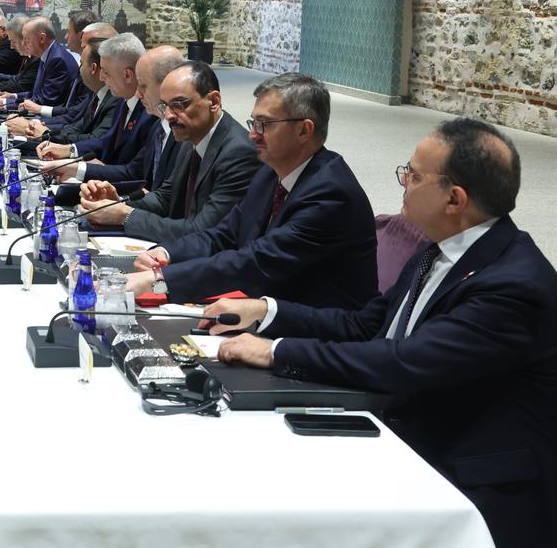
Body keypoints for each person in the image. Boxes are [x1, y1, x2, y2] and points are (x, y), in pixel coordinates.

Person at [206, 118, 557, 548]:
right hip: (412, 421)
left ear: (455, 198)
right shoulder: (439, 248)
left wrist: (275, 352)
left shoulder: (514, 285)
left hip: (472, 481)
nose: (403, 183)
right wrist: (265, 311)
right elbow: (366, 325)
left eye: (414, 174)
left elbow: (403, 361)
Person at [128, 72, 378, 309]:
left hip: (316, 329)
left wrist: (159, 280)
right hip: (268, 305)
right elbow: (225, 235)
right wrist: (167, 253)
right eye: (253, 122)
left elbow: (257, 261)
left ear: (304, 130)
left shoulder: (331, 193)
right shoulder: (271, 172)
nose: (252, 135)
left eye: (264, 124)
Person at [80, 61, 260, 244]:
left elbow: (203, 232)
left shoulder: (239, 152)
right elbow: (165, 197)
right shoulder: (192, 136)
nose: (168, 116)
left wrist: (125, 215)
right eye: (164, 106)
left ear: (214, 102)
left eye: (179, 105)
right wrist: (117, 204)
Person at [39, 32, 155, 184]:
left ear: (127, 75)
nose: (101, 78)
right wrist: (70, 150)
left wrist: (78, 168)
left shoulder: (150, 113)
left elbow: (134, 173)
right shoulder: (123, 100)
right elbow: (106, 141)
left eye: (106, 72)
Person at [11, 35, 121, 154]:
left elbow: (95, 139)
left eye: (82, 64)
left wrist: (43, 133)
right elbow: (76, 126)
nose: (79, 70)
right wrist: (41, 130)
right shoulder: (97, 94)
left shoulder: (115, 99)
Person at [0, 16, 77, 110]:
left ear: (42, 38)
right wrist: (14, 96)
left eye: (26, 38)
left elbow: (45, 101)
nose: (23, 43)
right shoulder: (48, 54)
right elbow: (36, 93)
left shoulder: (57, 60)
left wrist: (4, 103)